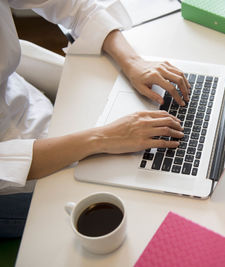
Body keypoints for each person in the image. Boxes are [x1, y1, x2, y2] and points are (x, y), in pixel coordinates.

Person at [0, 0, 189, 237]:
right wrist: (103, 137)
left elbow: (73, 5)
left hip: (28, 107)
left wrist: (133, 62)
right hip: (12, 184)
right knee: (135, 203)